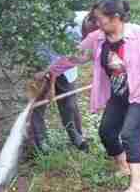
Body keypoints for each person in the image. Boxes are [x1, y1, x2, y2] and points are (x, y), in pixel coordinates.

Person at [39, 0, 140, 192]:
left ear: (115, 17)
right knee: (107, 132)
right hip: (118, 94)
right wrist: (49, 71)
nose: (97, 23)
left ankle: (137, 187)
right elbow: (74, 57)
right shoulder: (97, 38)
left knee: (129, 134)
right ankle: (123, 166)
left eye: (100, 19)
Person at [29, 11, 97, 154]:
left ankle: (77, 139)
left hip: (64, 66)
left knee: (70, 104)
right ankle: (41, 145)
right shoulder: (68, 26)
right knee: (38, 103)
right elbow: (61, 59)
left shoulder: (102, 24)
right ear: (88, 22)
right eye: (91, 31)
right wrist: (50, 86)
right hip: (44, 58)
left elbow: (73, 60)